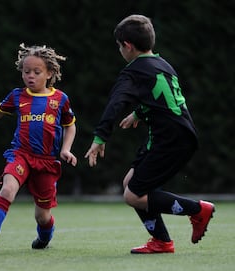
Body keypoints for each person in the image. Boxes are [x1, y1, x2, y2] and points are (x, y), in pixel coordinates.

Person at [85, 14, 214, 254]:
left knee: (132, 195)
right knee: (129, 184)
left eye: (119, 46)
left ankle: (197, 209)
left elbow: (115, 103)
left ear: (127, 46)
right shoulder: (162, 64)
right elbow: (163, 99)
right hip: (176, 135)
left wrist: (100, 137)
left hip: (171, 140)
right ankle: (162, 242)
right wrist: (138, 114)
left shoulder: (133, 72)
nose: (119, 51)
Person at [0, 43, 77, 254]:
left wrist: (66, 149)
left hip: (46, 161)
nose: (31, 76)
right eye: (26, 71)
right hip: (21, 155)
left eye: (37, 72)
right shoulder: (18, 96)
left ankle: (45, 236)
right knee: (8, 189)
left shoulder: (60, 99)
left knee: (42, 217)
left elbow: (70, 125)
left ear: (50, 73)